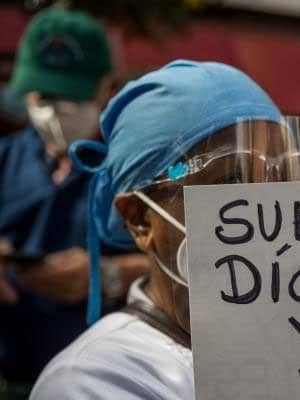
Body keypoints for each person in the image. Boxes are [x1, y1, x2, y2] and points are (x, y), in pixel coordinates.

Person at [29, 59, 300, 399]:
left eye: (284, 178)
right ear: (140, 218)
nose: (269, 211)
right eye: (230, 181)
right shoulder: (97, 379)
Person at [0, 9, 149, 395]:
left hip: (103, 385)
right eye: (41, 97)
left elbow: (190, 261)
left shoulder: (137, 168)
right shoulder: (5, 158)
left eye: (70, 99)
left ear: (108, 90)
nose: (53, 113)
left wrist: (110, 275)